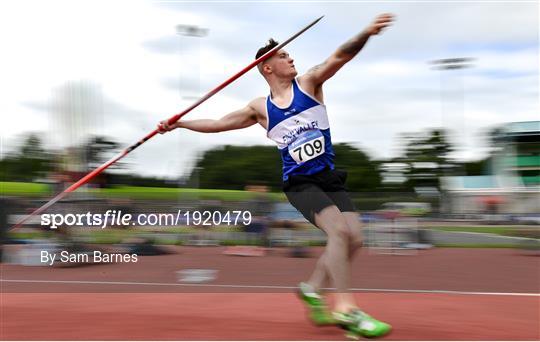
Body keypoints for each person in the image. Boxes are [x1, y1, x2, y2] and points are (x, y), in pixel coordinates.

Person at [159, 13, 394, 339]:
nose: (291, 57)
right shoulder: (261, 108)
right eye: (284, 55)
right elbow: (216, 124)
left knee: (355, 238)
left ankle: (312, 288)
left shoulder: (310, 84)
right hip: (300, 183)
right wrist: (180, 123)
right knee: (338, 232)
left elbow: (341, 55)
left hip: (329, 177)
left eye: (289, 53)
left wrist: (366, 32)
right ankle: (345, 308)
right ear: (267, 67)